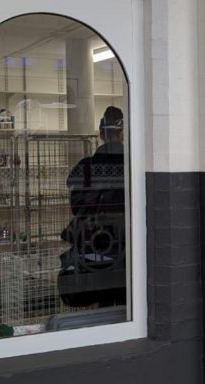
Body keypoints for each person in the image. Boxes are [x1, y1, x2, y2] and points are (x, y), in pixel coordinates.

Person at [58, 106, 127, 308]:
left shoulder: (85, 167)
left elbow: (76, 206)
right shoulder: (133, 164)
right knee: (127, 301)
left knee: (103, 299)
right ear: (122, 134)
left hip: (92, 247)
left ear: (101, 134)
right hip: (125, 248)